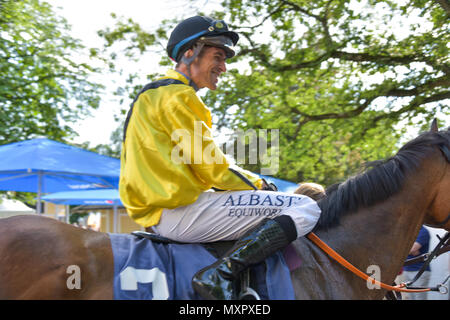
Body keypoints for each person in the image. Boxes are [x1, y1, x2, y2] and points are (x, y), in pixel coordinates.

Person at [119, 15, 321, 300]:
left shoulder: (153, 95)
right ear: (190, 52)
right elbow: (213, 168)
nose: (223, 67)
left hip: (160, 211)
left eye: (225, 59)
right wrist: (259, 185)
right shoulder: (178, 95)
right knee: (305, 207)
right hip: (180, 212)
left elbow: (197, 167)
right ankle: (221, 273)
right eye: (217, 56)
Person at [398, 226, 431, 300]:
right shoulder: (410, 231)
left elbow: (412, 249)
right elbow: (399, 246)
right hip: (407, 270)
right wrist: (410, 249)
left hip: (419, 271)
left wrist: (408, 249)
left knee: (419, 297)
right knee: (410, 297)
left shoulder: (423, 232)